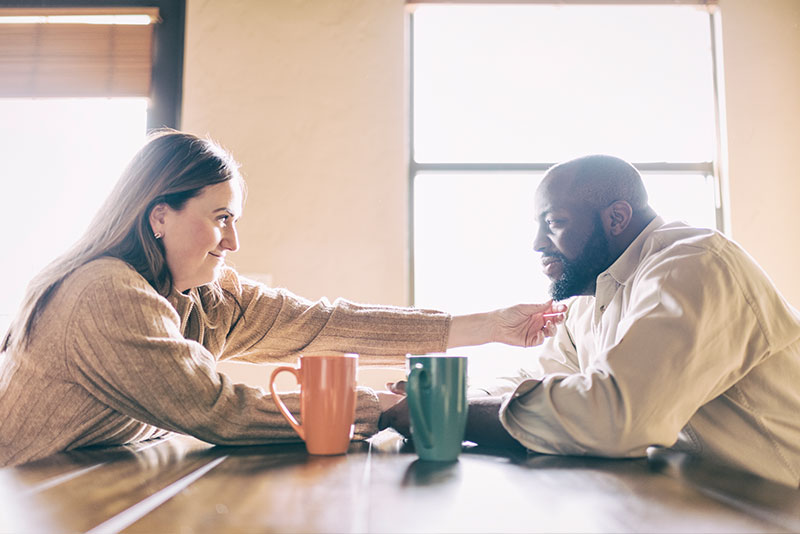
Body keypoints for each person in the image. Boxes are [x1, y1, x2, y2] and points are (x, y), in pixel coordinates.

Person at [0, 130, 563, 467]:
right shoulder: (105, 292)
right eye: (220, 219)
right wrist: (382, 409)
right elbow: (217, 410)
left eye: (234, 220)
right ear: (158, 217)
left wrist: (489, 324)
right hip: (29, 498)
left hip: (94, 484)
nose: (234, 241)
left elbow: (324, 324)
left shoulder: (201, 297)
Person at [381, 154, 800, 487]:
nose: (537, 243)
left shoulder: (693, 266)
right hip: (686, 501)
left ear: (616, 218)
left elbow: (616, 418)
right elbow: (545, 377)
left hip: (772, 507)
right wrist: (448, 395)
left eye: (555, 223)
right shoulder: (591, 293)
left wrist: (444, 413)